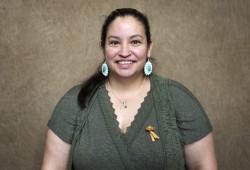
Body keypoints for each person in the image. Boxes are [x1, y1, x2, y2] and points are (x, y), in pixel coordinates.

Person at [41, 8, 217, 170]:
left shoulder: (178, 99)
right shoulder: (75, 102)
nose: (124, 52)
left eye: (135, 41)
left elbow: (204, 165)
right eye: (115, 42)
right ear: (104, 48)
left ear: (149, 47)